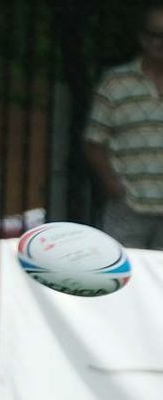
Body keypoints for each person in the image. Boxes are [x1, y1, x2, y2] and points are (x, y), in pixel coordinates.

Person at [84, 1, 163, 249]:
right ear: (142, 38)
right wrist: (114, 187)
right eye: (155, 34)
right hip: (129, 207)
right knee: (124, 279)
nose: (161, 42)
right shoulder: (114, 83)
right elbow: (93, 142)